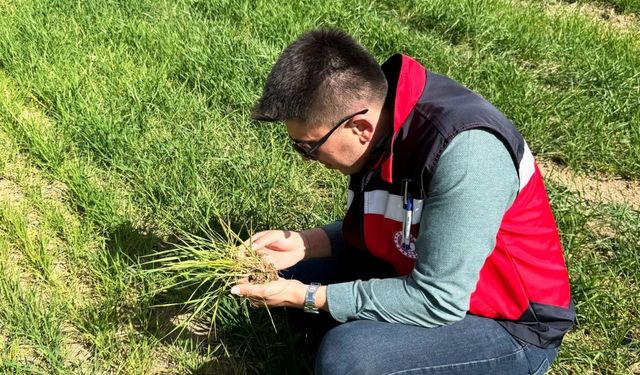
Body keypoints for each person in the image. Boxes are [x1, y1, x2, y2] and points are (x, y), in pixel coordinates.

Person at [230, 28, 575, 374]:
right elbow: (393, 228)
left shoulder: (466, 153)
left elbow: (438, 299)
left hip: (507, 324)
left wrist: (307, 296)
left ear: (359, 127)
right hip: (418, 272)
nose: (306, 158)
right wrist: (306, 244)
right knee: (282, 269)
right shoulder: (384, 122)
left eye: (308, 147)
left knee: (349, 358)